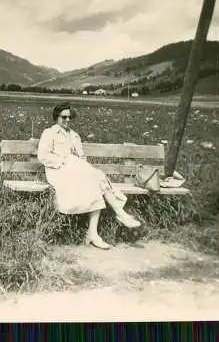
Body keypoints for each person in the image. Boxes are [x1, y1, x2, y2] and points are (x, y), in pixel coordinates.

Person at [37, 102, 141, 250]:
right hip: (58, 171)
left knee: (96, 179)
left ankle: (94, 233)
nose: (67, 120)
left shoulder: (74, 136)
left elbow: (82, 158)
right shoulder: (49, 133)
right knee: (96, 177)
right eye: (64, 117)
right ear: (56, 117)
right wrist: (64, 161)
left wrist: (77, 161)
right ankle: (119, 214)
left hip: (76, 170)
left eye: (70, 117)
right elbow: (43, 156)